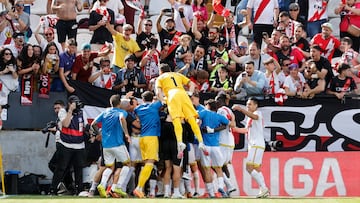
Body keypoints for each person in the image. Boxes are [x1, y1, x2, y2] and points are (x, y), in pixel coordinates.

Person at [155, 63, 206, 159]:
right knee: (191, 118)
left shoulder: (160, 78)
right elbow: (192, 84)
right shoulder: (177, 74)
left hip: (172, 95)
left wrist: (163, 101)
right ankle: (201, 142)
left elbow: (158, 92)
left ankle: (180, 142)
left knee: (176, 119)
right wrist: (190, 94)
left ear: (160, 71)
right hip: (183, 94)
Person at [91, 94, 131, 198]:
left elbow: (93, 124)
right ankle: (117, 186)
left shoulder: (105, 111)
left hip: (106, 145)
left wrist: (98, 133)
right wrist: (126, 133)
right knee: (127, 164)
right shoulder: (122, 112)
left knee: (109, 167)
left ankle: (102, 185)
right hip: (117, 144)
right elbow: (122, 119)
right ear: (120, 103)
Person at [232, 97, 270, 198]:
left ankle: (264, 188)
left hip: (256, 144)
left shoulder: (257, 113)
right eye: (247, 104)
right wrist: (235, 129)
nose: (248, 106)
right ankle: (263, 190)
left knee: (249, 168)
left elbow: (254, 117)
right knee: (256, 169)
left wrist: (240, 109)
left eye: (250, 104)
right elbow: (246, 130)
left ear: (256, 106)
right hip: (255, 145)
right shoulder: (250, 118)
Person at [50, 95, 86, 195]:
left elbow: (85, 126)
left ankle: (79, 190)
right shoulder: (63, 111)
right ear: (69, 103)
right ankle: (53, 189)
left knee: (78, 169)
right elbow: (66, 124)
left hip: (79, 144)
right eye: (74, 103)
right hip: (65, 143)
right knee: (61, 168)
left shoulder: (81, 112)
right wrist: (70, 111)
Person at [132, 91, 162, 198]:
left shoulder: (138, 109)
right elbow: (161, 99)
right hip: (151, 137)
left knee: (146, 165)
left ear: (142, 99)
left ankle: (140, 188)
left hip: (142, 137)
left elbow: (135, 113)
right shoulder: (155, 106)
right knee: (150, 163)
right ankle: (139, 188)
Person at [198, 99, 229, 198]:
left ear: (208, 106)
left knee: (206, 169)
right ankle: (220, 186)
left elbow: (195, 116)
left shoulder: (204, 113)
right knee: (218, 168)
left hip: (206, 145)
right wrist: (214, 130)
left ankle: (210, 192)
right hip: (216, 146)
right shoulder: (219, 116)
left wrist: (202, 128)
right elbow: (226, 124)